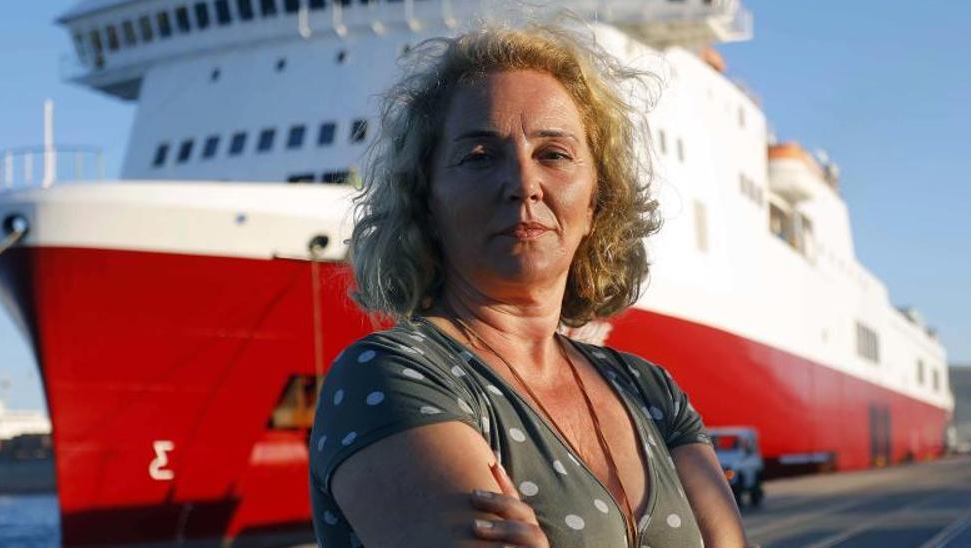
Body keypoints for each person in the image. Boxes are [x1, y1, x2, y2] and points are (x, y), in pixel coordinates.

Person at [309, 21, 748, 547]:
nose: (522, 184)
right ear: (427, 198)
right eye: (479, 157)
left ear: (596, 202)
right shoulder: (390, 375)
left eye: (554, 154)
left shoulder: (651, 391)